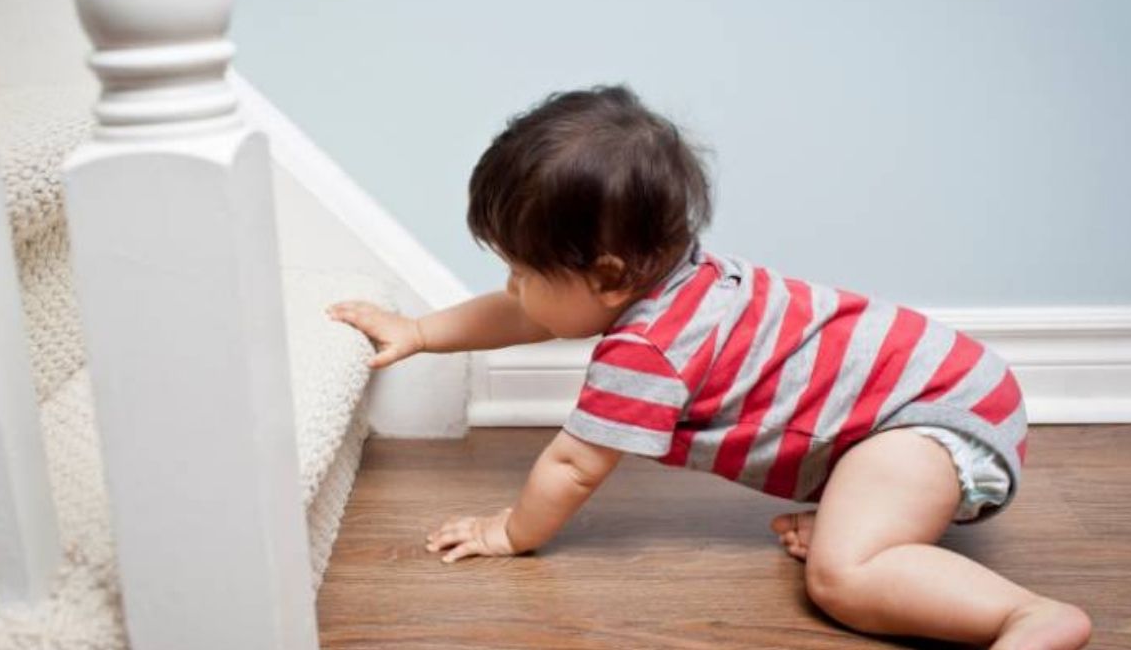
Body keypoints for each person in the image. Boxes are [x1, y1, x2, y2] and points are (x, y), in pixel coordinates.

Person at [326, 85, 1091, 649]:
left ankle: (1026, 617)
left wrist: (510, 533)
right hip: (937, 391)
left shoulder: (647, 350)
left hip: (932, 421)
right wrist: (419, 332)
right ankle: (862, 510)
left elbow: (572, 466)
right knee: (840, 535)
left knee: (843, 578)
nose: (512, 290)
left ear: (608, 275)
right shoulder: (668, 278)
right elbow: (524, 314)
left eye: (524, 271)